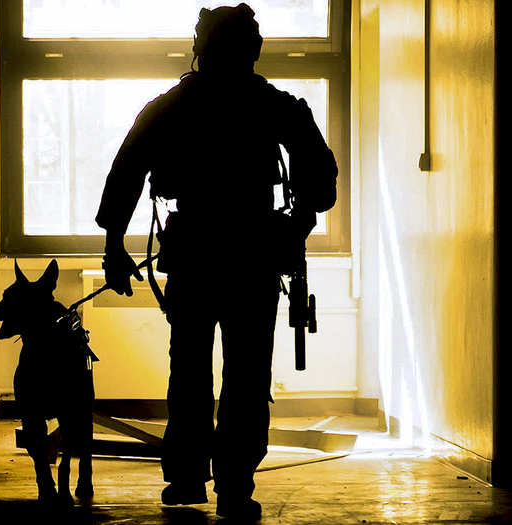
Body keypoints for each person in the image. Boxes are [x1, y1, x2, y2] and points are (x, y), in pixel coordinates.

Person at [95, 3, 337, 519]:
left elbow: (127, 172)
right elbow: (320, 178)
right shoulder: (273, 104)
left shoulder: (172, 106)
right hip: (250, 251)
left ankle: (190, 478)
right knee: (244, 375)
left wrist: (115, 244)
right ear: (251, 50)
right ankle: (232, 483)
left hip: (200, 250)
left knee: (192, 370)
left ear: (200, 47)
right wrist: (300, 221)